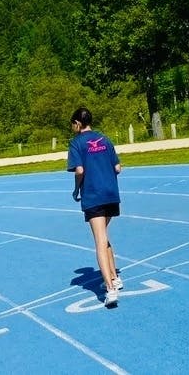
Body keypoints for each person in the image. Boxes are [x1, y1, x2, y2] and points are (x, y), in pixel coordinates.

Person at [67, 107, 123, 307]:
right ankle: (115, 277)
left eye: (72, 124)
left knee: (99, 241)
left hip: (94, 195)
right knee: (104, 236)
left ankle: (110, 288)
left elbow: (79, 170)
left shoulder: (76, 143)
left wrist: (76, 189)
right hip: (111, 193)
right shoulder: (105, 139)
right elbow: (118, 168)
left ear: (77, 123)